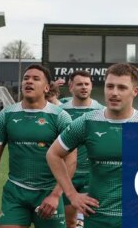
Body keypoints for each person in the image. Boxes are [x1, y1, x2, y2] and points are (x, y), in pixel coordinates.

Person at [46, 63, 138, 228]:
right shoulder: (87, 122)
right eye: (110, 86)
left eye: (122, 87)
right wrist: (72, 194)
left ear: (135, 91)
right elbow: (53, 154)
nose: (114, 92)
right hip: (97, 217)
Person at [0, 64, 74, 227]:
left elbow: (71, 160)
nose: (29, 81)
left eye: (35, 79)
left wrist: (56, 195)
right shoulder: (7, 115)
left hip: (48, 193)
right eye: (26, 78)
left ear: (46, 88)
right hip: (15, 193)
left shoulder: (60, 117)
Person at [59, 70, 104, 228]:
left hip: (92, 176)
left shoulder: (102, 112)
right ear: (71, 87)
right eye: (79, 84)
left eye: (87, 84)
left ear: (91, 86)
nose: (84, 87)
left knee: (92, 221)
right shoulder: (60, 112)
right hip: (66, 175)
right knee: (69, 222)